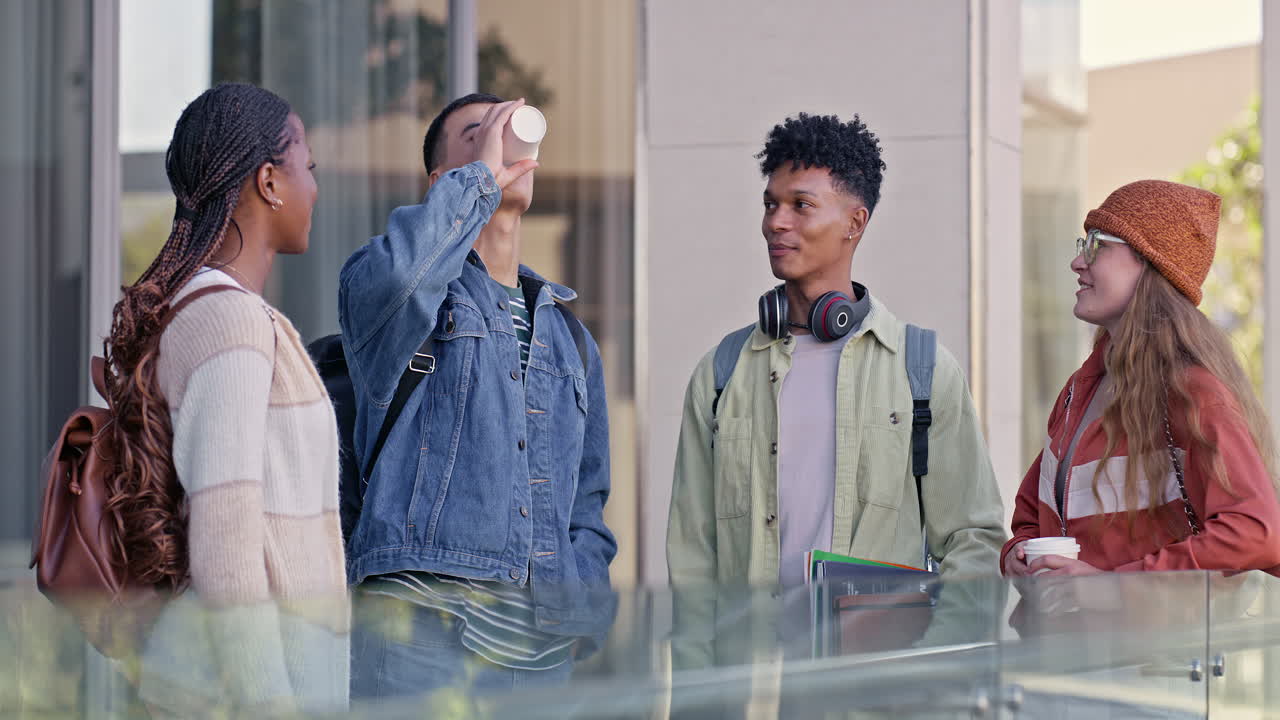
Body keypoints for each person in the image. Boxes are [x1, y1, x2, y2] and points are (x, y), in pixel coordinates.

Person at [666, 112, 1006, 669]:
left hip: (872, 694)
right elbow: (692, 560)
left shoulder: (921, 370)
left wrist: (933, 662)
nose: (777, 222)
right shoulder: (721, 372)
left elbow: (973, 536)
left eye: (800, 205)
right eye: (770, 204)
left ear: (855, 221)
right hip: (750, 688)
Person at [338, 95, 616, 700]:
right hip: (422, 635)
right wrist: (478, 183)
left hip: (540, 657)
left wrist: (580, 614)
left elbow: (587, 506)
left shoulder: (568, 334)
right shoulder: (394, 286)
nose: (500, 138)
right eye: (477, 132)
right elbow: (398, 280)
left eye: (504, 128)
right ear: (443, 181)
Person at [103, 83, 349, 716]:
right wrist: (268, 702)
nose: (315, 189)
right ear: (270, 181)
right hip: (239, 692)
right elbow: (226, 542)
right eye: (308, 167)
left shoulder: (213, 313)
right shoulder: (229, 322)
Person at [1003, 180, 1280, 579]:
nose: (1078, 262)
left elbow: (1255, 532)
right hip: (1076, 639)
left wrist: (1112, 586)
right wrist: (1017, 553)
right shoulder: (1080, 390)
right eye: (1082, 244)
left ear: (1151, 266)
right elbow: (1033, 515)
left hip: (1159, 642)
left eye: (1098, 244)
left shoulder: (1193, 393)